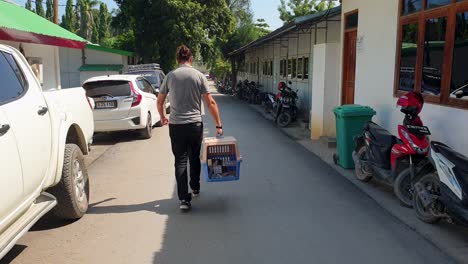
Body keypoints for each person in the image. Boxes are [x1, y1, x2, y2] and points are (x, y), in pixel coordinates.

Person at [157, 45, 223, 211]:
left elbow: (160, 101)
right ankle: (195, 187)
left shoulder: (170, 76)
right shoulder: (199, 76)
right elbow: (210, 103)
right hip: (195, 125)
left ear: (177, 59)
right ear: (191, 59)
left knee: (180, 161)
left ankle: (184, 200)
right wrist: (218, 124)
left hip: (176, 125)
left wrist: (162, 117)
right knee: (194, 157)